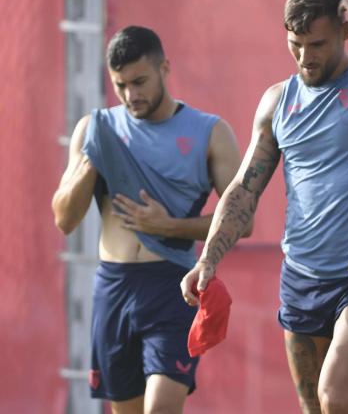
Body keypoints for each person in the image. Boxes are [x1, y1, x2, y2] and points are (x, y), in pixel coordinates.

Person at [180, 0, 348, 414]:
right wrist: (207, 260)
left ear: (344, 33)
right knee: (315, 408)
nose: (306, 57)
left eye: (318, 44)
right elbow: (243, 190)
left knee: (336, 397)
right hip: (300, 277)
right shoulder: (277, 102)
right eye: (296, 44)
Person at [51, 25, 248, 414]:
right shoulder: (96, 130)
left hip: (172, 284)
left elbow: (243, 220)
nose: (131, 95)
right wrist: (92, 159)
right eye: (120, 85)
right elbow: (64, 219)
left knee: (160, 408)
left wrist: (169, 227)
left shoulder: (210, 131)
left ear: (164, 68)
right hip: (114, 285)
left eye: (139, 81)